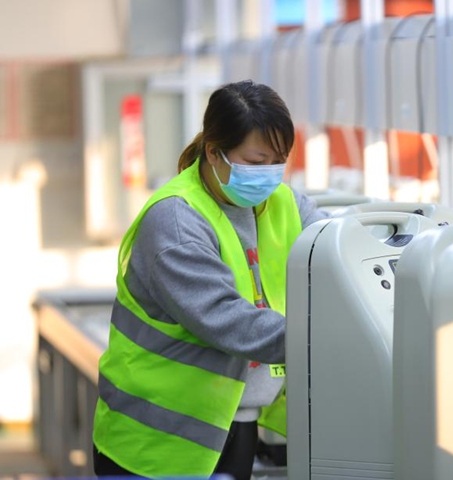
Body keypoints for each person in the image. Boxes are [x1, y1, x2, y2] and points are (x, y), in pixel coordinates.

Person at [92, 80, 329, 480]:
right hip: (155, 444)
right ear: (215, 152)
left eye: (278, 161)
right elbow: (225, 318)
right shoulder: (177, 222)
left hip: (229, 426)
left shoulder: (282, 203)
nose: (269, 174)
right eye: (256, 162)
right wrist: (328, 341)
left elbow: (333, 251)